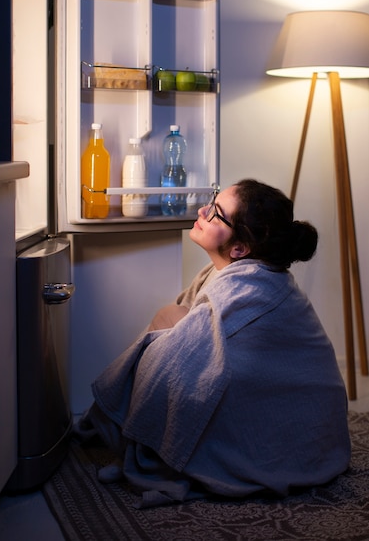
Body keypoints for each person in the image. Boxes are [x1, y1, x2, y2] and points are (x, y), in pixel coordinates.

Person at [75, 178, 351, 508]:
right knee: (173, 316)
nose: (203, 210)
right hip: (306, 420)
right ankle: (142, 439)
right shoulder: (238, 271)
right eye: (213, 199)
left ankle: (152, 450)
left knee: (167, 340)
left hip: (305, 433)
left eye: (216, 213)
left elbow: (169, 364)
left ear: (239, 249)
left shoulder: (249, 288)